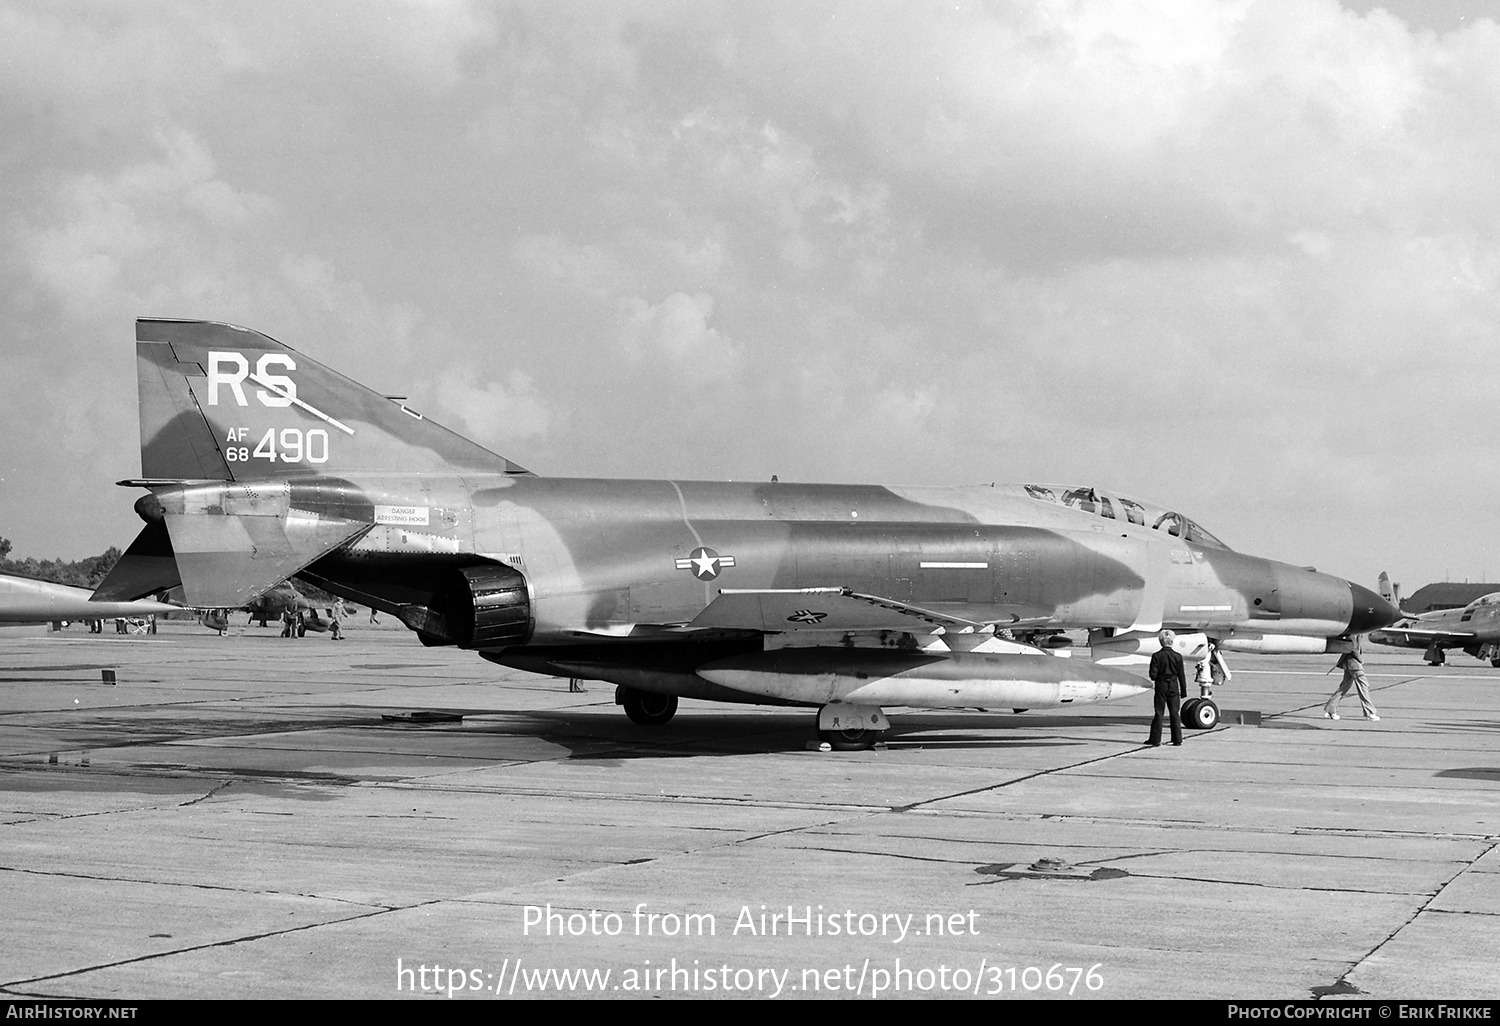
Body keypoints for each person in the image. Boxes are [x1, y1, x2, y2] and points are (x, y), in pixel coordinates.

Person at [1146, 629, 1188, 747]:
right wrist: (1183, 690)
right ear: (1172, 642)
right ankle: (1177, 739)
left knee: (1159, 713)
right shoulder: (1178, 656)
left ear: (1161, 642)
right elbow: (1181, 675)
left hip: (1161, 686)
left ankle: (1155, 739)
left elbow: (1153, 675)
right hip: (1174, 686)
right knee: (1174, 713)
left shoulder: (1156, 656)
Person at [1325, 646, 1379, 721]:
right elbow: (1353, 648)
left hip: (1349, 662)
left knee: (1344, 687)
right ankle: (1369, 712)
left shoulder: (1357, 635)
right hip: (1354, 663)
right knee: (1363, 686)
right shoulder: (1354, 635)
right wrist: (1360, 659)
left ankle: (1331, 708)